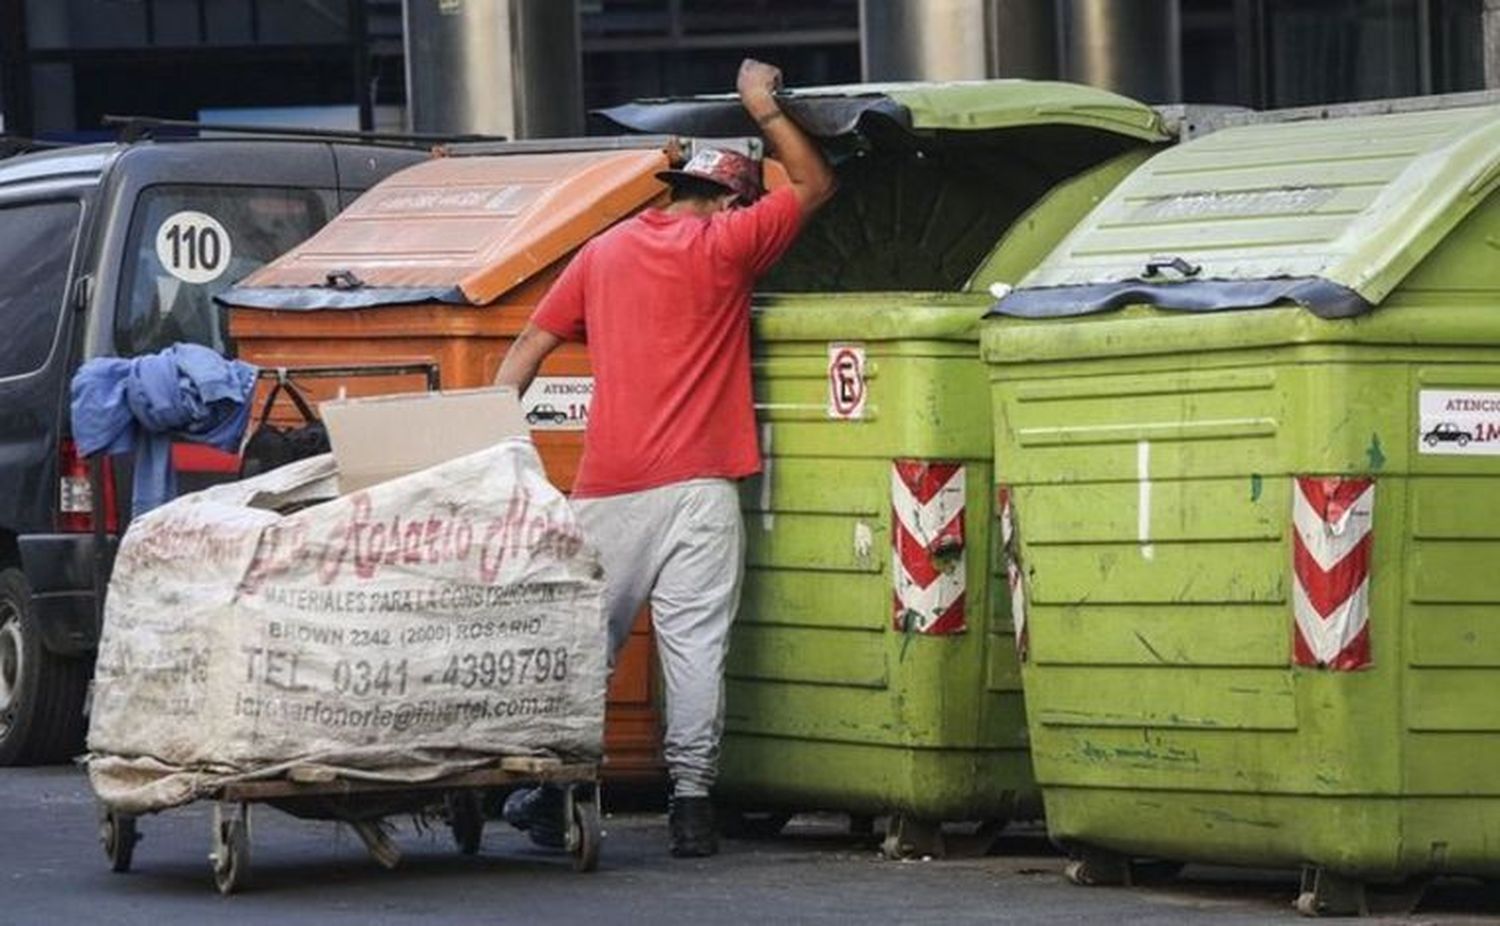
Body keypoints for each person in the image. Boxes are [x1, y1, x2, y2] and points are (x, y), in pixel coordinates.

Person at [493, 57, 836, 858]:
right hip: (701, 491)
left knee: (583, 644)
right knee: (694, 647)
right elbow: (815, 186)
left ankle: (555, 790)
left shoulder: (600, 253)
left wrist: (487, 448)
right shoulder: (726, 245)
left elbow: (527, 349)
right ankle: (691, 808)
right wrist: (764, 107)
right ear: (726, 199)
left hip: (609, 487)